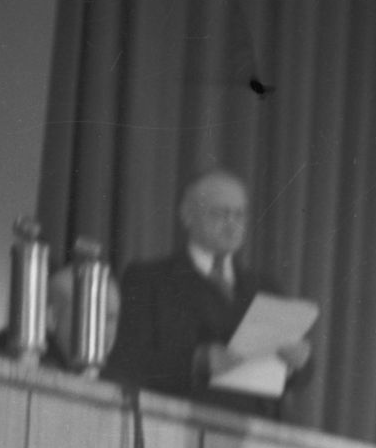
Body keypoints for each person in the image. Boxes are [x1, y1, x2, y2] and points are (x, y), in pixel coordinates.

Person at [103, 169, 311, 417]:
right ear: (187, 215)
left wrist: (300, 362)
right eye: (220, 213)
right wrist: (198, 361)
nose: (232, 223)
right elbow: (127, 362)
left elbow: (294, 378)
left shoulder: (266, 288)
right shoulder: (149, 279)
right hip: (178, 422)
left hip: (255, 431)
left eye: (239, 215)